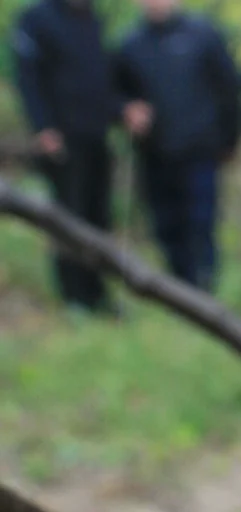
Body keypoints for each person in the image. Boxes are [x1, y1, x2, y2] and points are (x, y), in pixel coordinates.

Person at [11, 0, 136, 318]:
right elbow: (27, 77)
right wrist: (44, 128)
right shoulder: (36, 19)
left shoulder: (92, 18)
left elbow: (99, 81)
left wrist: (121, 111)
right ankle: (74, 297)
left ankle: (99, 294)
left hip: (96, 137)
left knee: (99, 217)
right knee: (68, 218)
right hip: (62, 140)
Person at [114, 0, 241, 293]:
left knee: (200, 220)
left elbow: (228, 89)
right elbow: (115, 92)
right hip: (155, 152)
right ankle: (179, 287)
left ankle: (206, 285)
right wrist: (126, 109)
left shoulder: (204, 35)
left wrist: (230, 139)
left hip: (200, 148)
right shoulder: (130, 43)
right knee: (165, 223)